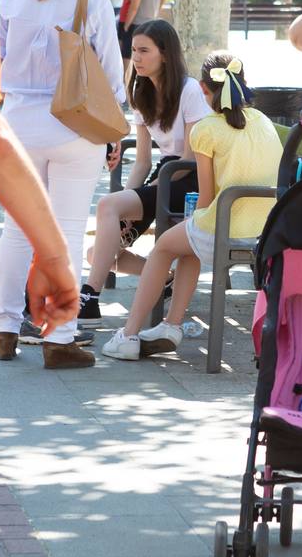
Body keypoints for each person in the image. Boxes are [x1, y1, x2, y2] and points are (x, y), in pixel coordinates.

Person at [0, 0, 126, 366]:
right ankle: (59, 336)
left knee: (16, 229)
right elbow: (109, 71)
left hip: (18, 123)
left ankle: (5, 329)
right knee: (67, 231)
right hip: (74, 125)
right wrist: (114, 131)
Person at [103, 53, 281, 359]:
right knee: (187, 243)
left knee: (164, 248)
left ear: (202, 89)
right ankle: (170, 326)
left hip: (226, 223)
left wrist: (193, 220)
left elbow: (206, 197)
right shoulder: (263, 121)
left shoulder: (207, 129)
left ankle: (129, 334)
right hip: (266, 228)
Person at [80, 19, 211, 325]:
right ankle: (165, 277)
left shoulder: (189, 90)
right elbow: (141, 161)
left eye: (144, 51)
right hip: (163, 176)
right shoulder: (141, 92)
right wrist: (129, 200)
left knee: (107, 206)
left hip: (190, 177)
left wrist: (135, 199)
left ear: (164, 54)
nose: (136, 57)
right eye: (134, 50)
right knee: (97, 252)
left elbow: (193, 156)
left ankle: (89, 298)